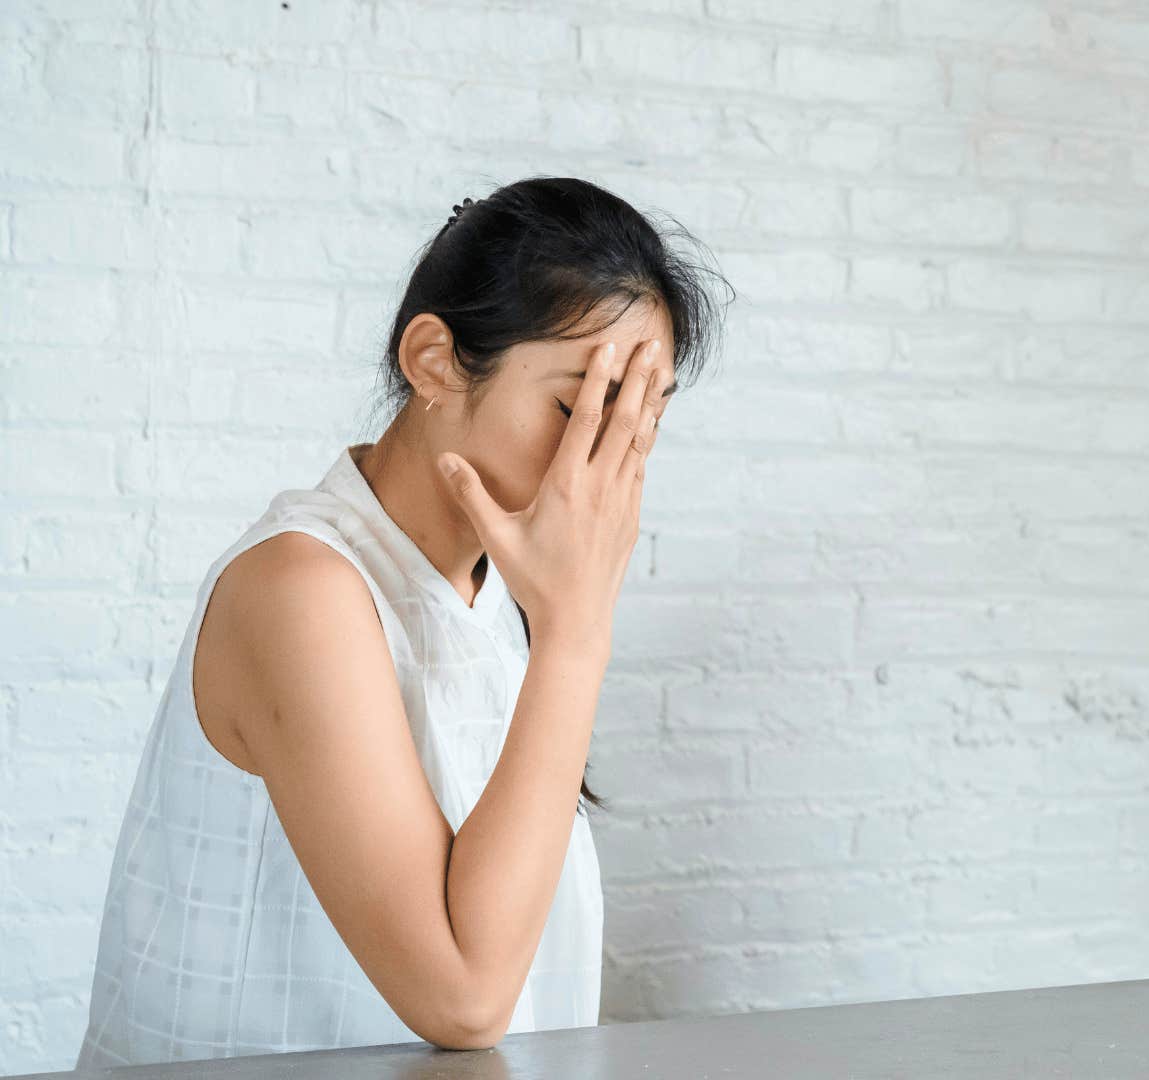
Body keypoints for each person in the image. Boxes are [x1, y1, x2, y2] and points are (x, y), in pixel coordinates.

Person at [76, 177, 728, 1065]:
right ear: (434, 361)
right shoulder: (300, 588)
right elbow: (464, 997)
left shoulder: (505, 595)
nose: (607, 460)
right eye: (578, 410)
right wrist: (578, 632)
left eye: (641, 419)